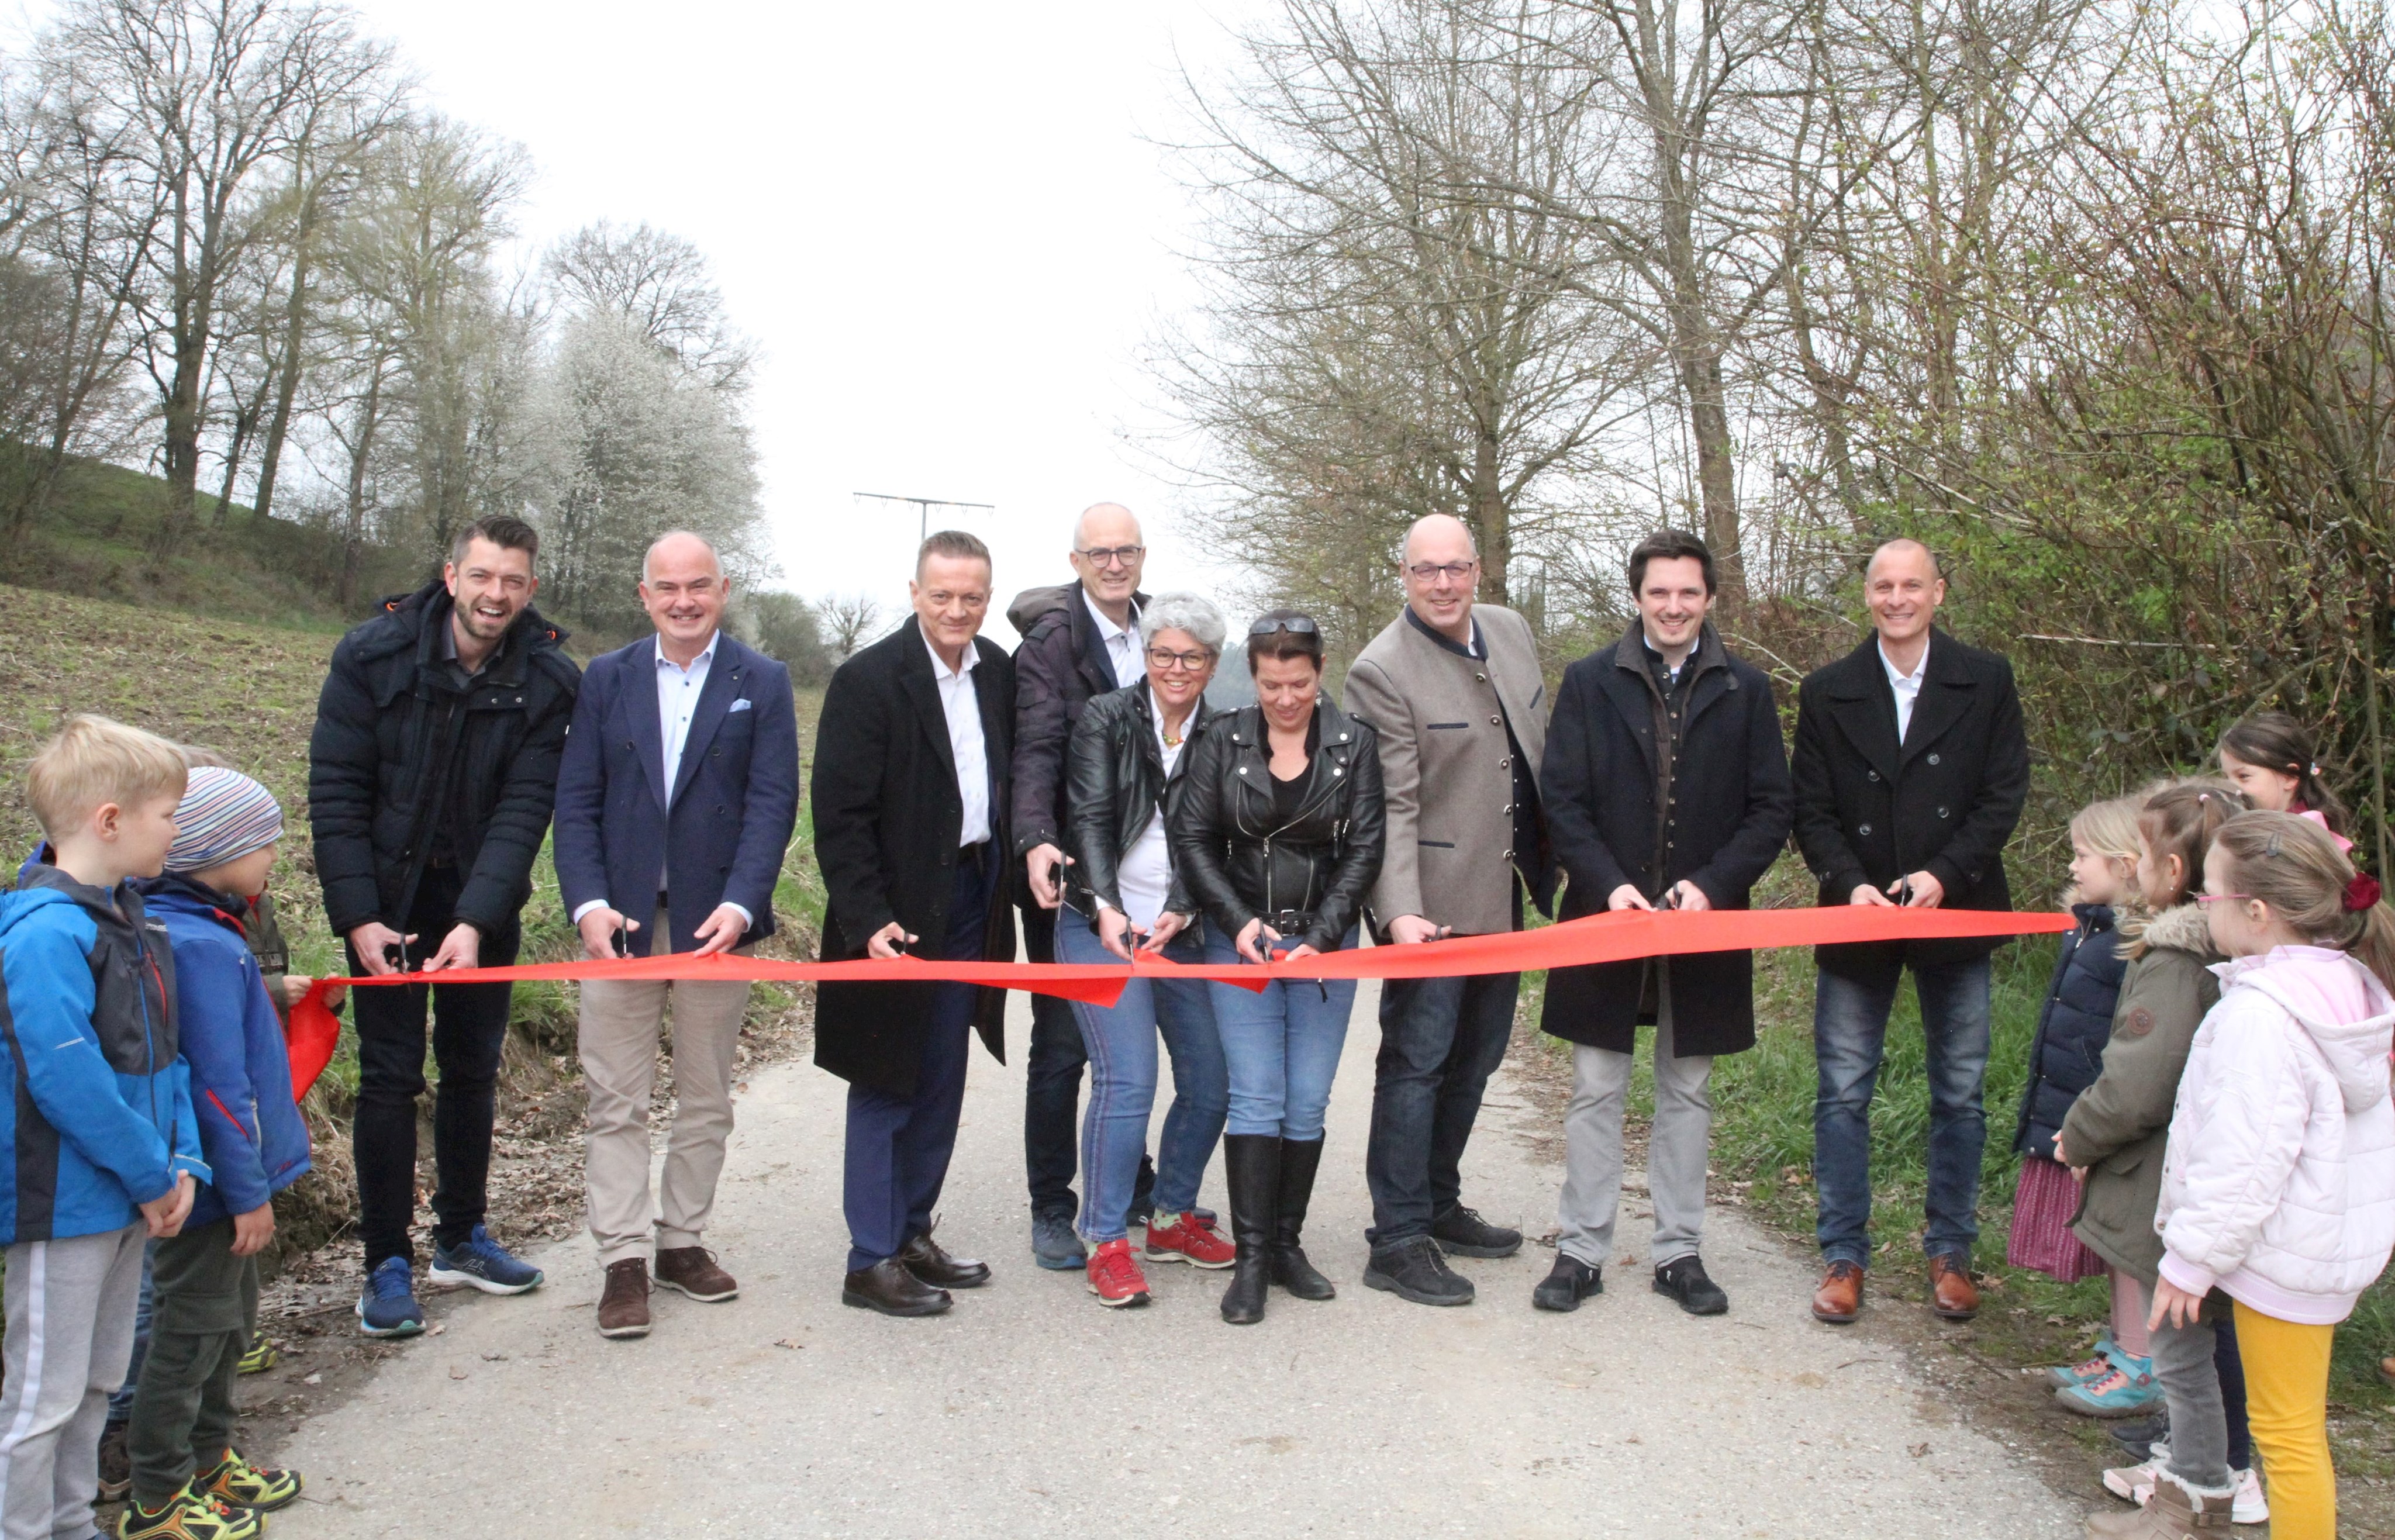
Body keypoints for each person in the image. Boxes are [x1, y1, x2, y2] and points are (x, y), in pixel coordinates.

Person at [309, 513, 580, 1336]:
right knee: (391, 1078)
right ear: (451, 574)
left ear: (531, 589)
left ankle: (461, 1236)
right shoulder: (369, 656)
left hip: (477, 910)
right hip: (384, 906)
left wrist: (476, 918)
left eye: (513, 581)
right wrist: (358, 917)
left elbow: (525, 809)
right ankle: (385, 1261)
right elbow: (336, 791)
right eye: (482, 575)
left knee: (472, 1069)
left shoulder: (549, 680)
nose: (495, 594)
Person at [2103, 811, 2395, 1539]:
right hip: (2321, 1246)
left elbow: (2242, 1161)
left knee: (2287, 1439)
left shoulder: (2261, 1018)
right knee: (2293, 1430)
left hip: (2279, 1257)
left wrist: (2190, 1262)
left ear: (2256, 912)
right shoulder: (2344, 986)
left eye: (2208, 896)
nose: (2201, 908)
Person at [1533, 529, 1793, 1317]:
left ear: (1708, 597)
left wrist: (1714, 886)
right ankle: (1580, 1248)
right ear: (1637, 597)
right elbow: (1563, 798)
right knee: (1594, 1086)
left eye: (1688, 592)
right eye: (1659, 592)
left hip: (1704, 924)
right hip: (1607, 917)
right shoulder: (1587, 681)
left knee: (1689, 1088)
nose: (1673, 606)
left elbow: (1771, 807)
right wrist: (1606, 885)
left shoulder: (1746, 689)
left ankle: (1680, 1250)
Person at [552, 531, 800, 1339]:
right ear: (644, 593)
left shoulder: (761, 681)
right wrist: (587, 902)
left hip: (714, 930)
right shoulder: (607, 677)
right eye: (669, 588)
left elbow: (772, 802)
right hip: (618, 928)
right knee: (615, 1100)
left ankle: (681, 1240)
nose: (685, 600)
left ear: (723, 589)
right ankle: (622, 1258)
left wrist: (742, 902)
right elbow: (577, 800)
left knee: (705, 1096)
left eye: (699, 585)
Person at [1792, 537, 2030, 1324]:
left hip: (1954, 907)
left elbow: (2002, 794)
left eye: (1912, 586)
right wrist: (1848, 881)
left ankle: (1951, 1250)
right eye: (1884, 586)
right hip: (1858, 912)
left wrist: (1945, 875)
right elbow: (1811, 808)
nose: (1898, 598)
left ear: (1939, 593)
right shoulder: (1828, 690)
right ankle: (1843, 1254)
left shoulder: (1986, 679)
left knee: (1960, 1092)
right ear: (1867, 596)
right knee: (1843, 1091)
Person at [0, 716, 206, 1540]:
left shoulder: (138, 922)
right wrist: (151, 1174)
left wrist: (181, 1157)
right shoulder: (46, 936)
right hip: (69, 1203)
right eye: (168, 812)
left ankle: (73, 1522)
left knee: (96, 1379)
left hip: (137, 1194)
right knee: (43, 1394)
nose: (178, 829)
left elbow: (171, 1059)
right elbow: (66, 1078)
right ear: (110, 820)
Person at [1343, 514, 1554, 1307]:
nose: (1442, 583)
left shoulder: (1509, 629)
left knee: (1477, 1061)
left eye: (1455, 568)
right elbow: (1388, 804)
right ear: (1404, 574)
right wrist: (1398, 911)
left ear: (1478, 569)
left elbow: (1536, 749)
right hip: (1429, 912)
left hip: (1503, 900)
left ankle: (1437, 1200)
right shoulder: (1380, 670)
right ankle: (1396, 1237)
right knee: (1416, 1065)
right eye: (1426, 569)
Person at [812, 530, 1017, 1317]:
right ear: (914, 591)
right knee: (885, 1076)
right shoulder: (869, 681)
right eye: (943, 595)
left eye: (972, 596)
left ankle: (912, 1231)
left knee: (941, 1077)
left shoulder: (997, 671)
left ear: (987, 597)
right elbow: (839, 816)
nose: (957, 609)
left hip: (970, 896)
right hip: (893, 913)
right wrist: (869, 917)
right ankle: (869, 1258)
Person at [2055, 788, 2269, 1529]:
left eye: (2141, 855)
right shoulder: (2215, 949)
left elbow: (2138, 1082)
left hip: (2175, 1191)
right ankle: (2199, 1472)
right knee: (2202, 1345)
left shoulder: (2176, 960)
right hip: (2201, 1185)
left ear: (2170, 869)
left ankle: (2196, 1488)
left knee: (2185, 1351)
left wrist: (2077, 1134)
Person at [1171, 610, 1385, 1325]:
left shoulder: (1356, 744)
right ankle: (1254, 1258)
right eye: (1270, 684)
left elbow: (1365, 851)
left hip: (1325, 947)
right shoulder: (1219, 737)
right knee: (1257, 1095)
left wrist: (1323, 934)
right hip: (1241, 945)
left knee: (1308, 1099)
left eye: (1298, 682)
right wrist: (1238, 923)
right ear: (1253, 677)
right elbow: (1193, 839)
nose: (1285, 698)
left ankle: (1289, 1246)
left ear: (1320, 672)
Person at [119, 766, 311, 1540]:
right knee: (191, 1331)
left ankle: (212, 1460)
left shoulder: (213, 931)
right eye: (263, 840)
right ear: (215, 850)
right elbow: (218, 1090)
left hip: (235, 1181)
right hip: (215, 1189)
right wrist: (250, 1187)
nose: (274, 854)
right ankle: (158, 1495)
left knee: (232, 1323)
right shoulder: (196, 945)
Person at [1056, 592, 1236, 1307]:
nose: (1175, 668)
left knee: (1212, 1081)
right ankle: (1104, 1237)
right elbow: (1092, 817)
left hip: (1179, 932)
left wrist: (1182, 908)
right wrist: (1105, 906)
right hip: (1097, 923)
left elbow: (1215, 838)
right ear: (1146, 656)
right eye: (1163, 653)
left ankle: (1169, 1215)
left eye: (1191, 656)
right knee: (1127, 1082)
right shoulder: (1106, 716)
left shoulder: (1226, 732)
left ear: (1212, 664)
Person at [1006, 501, 1164, 1270]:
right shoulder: (1051, 645)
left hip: (1150, 874)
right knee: (1065, 1041)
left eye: (1125, 550)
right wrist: (1037, 841)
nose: (1112, 563)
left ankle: (1132, 1181)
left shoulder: (1159, 630)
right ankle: (1051, 1203)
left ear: (1142, 556)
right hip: (1070, 877)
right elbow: (1035, 750)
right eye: (1098, 552)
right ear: (1075, 562)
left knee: (1128, 1038)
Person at [2009, 800, 2141, 1384]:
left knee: (2123, 1243)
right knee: (2105, 1236)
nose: (2072, 865)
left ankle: (2139, 1361)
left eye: (2083, 855)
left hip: (2105, 1112)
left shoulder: (2132, 944)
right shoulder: (2090, 926)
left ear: (2126, 863)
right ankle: (2120, 1346)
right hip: (2072, 1102)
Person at [2217, 713, 2350, 850]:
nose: (2230, 787)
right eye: (2226, 777)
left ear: (2289, 776)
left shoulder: (2301, 843)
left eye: (2243, 776)